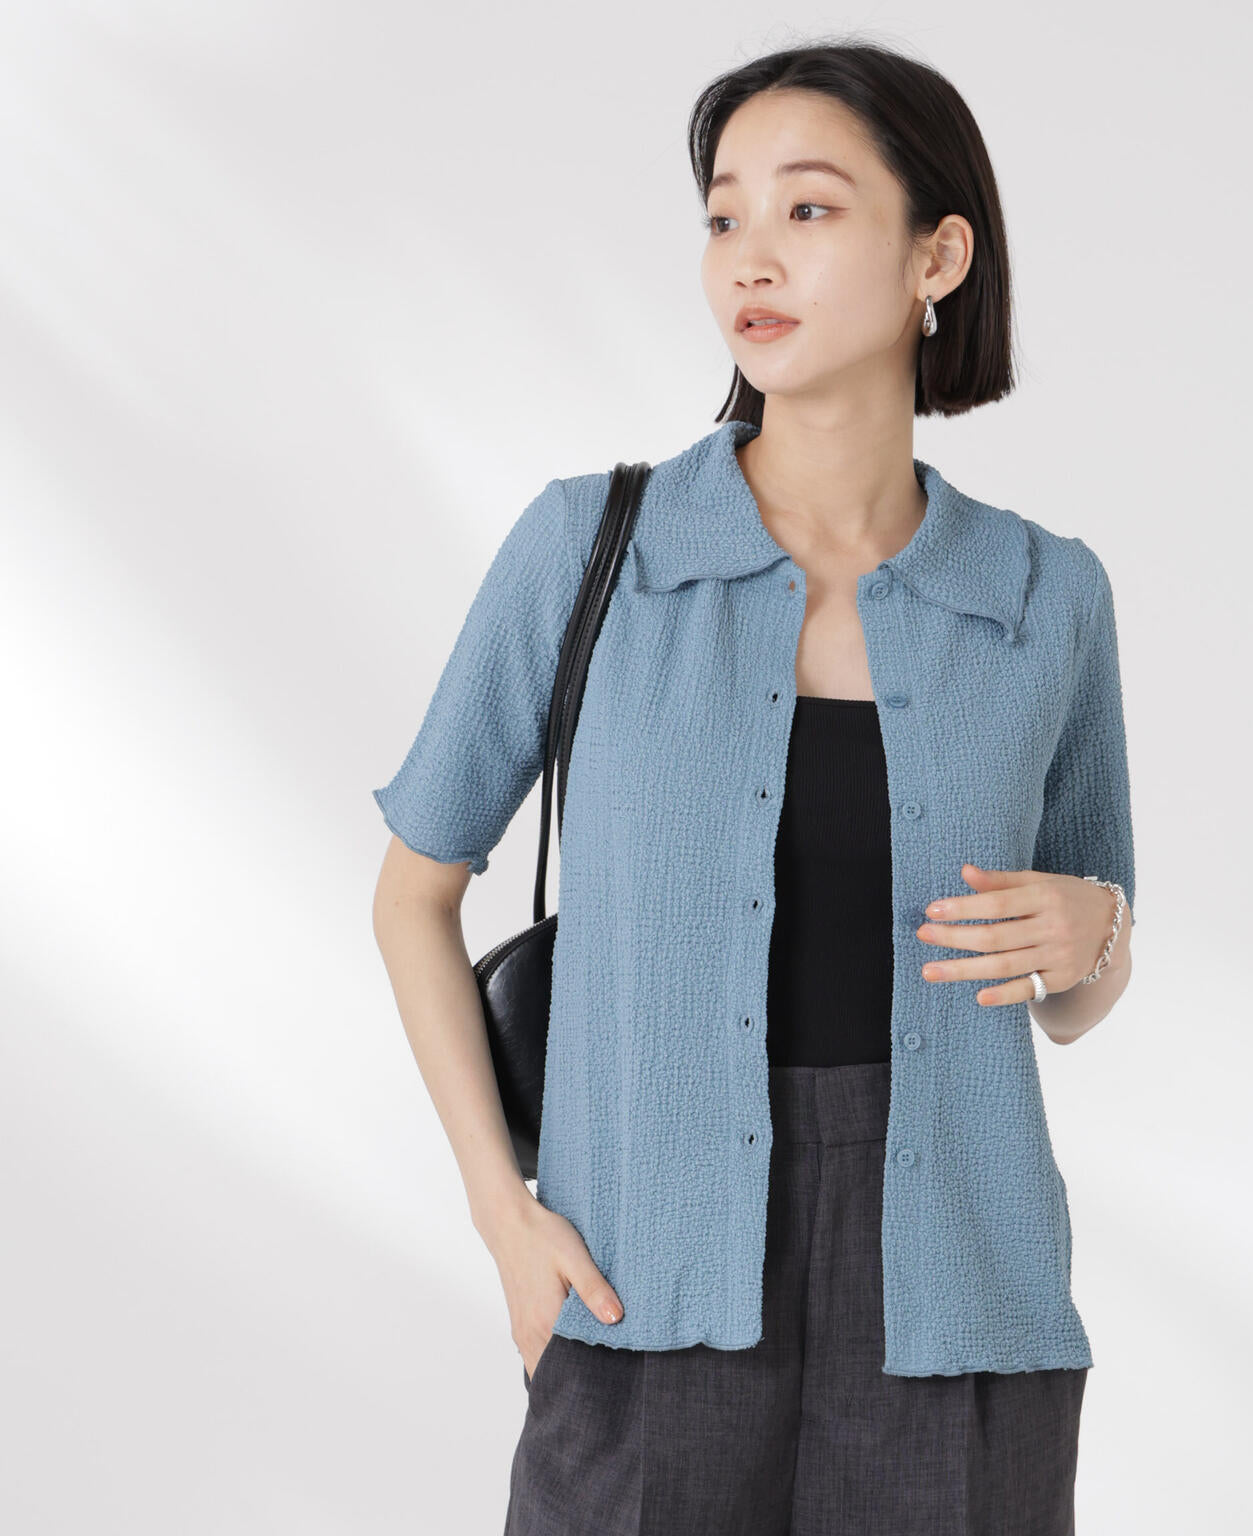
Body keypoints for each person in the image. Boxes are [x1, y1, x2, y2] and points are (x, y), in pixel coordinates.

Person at [370, 37, 1136, 1536]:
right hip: (640, 1282)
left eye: (809, 209)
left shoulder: (1046, 595)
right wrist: (503, 1218)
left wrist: (1095, 931)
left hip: (957, 1303)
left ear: (938, 257)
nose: (750, 257)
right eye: (724, 215)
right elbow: (413, 895)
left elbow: (1076, 995)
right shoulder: (593, 549)